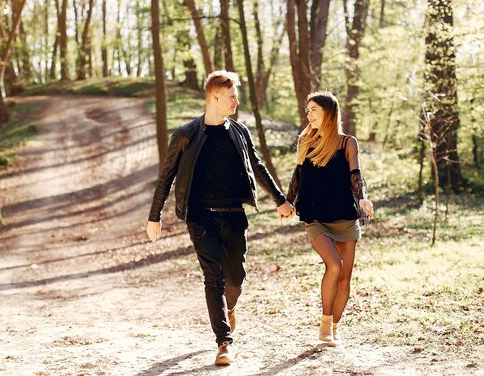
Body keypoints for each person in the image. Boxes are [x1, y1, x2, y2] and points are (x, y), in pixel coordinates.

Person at [146, 70, 294, 365]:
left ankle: (228, 306)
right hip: (200, 217)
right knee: (213, 278)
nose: (236, 101)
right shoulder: (186, 134)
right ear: (215, 96)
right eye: (232, 96)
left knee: (236, 278)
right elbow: (166, 177)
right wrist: (155, 216)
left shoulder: (240, 132)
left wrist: (280, 200)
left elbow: (257, 165)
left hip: (234, 214)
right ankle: (224, 342)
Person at [285, 91, 373, 347]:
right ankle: (324, 326)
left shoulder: (348, 143)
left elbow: (355, 174)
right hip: (316, 217)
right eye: (307, 109)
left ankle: (334, 328)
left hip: (345, 217)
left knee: (345, 276)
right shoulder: (306, 142)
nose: (308, 114)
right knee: (333, 265)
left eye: (313, 109)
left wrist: (363, 198)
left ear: (328, 112)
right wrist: (289, 201)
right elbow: (298, 175)